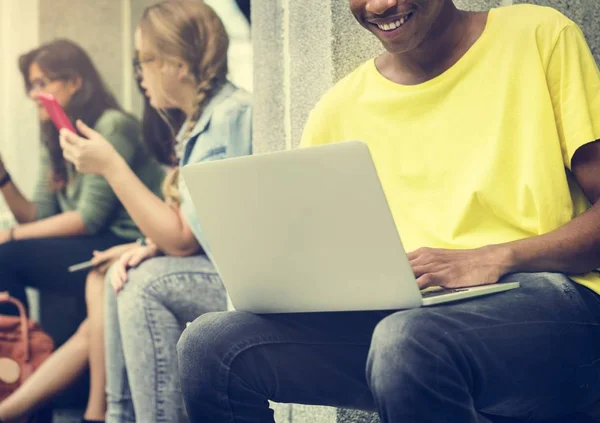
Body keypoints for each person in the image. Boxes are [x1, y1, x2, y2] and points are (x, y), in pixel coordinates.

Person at [177, 0, 600, 422]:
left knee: (407, 341)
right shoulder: (338, 109)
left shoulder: (539, 36)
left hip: (549, 300)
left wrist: (495, 256)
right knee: (211, 346)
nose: (380, 5)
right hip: (404, 323)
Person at [60, 1, 252, 422]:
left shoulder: (232, 116)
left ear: (178, 65)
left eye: (143, 60)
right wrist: (148, 244)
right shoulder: (194, 123)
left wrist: (111, 166)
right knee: (120, 272)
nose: (139, 74)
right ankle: (115, 416)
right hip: (215, 271)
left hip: (242, 285)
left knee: (143, 285)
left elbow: (184, 240)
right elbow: (186, 229)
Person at [0, 39, 164, 423]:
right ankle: (17, 365)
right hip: (85, 242)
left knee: (6, 252)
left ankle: (21, 376)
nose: (34, 94)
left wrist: (9, 237)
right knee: (8, 251)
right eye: (30, 85)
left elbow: (88, 218)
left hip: (120, 239)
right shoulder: (54, 135)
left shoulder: (112, 126)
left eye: (42, 83)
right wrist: (4, 178)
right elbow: (35, 217)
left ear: (74, 82)